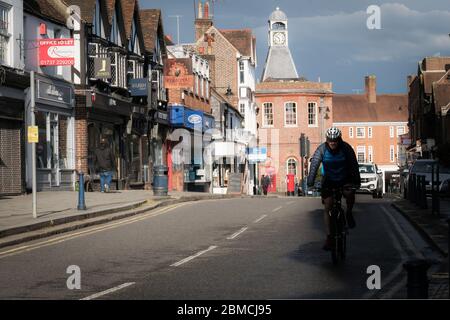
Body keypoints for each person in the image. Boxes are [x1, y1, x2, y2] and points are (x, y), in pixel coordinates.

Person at [307, 127, 361, 251]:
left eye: (335, 140)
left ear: (339, 139)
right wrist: (310, 182)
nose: (333, 143)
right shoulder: (321, 149)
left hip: (345, 178)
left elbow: (353, 164)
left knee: (349, 194)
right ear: (327, 140)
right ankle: (330, 237)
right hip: (329, 180)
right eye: (330, 140)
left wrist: (356, 181)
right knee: (328, 206)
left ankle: (348, 213)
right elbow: (315, 164)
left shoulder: (346, 148)